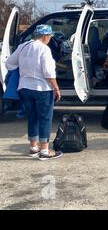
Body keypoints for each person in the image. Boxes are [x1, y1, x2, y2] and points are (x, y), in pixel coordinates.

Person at [6, 25, 62, 161]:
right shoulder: (44, 49)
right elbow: (49, 73)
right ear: (44, 36)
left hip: (25, 88)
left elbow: (9, 63)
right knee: (45, 118)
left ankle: (33, 148)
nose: (50, 39)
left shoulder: (23, 47)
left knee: (32, 118)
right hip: (42, 89)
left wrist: (24, 71)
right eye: (49, 36)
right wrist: (56, 88)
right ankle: (44, 151)